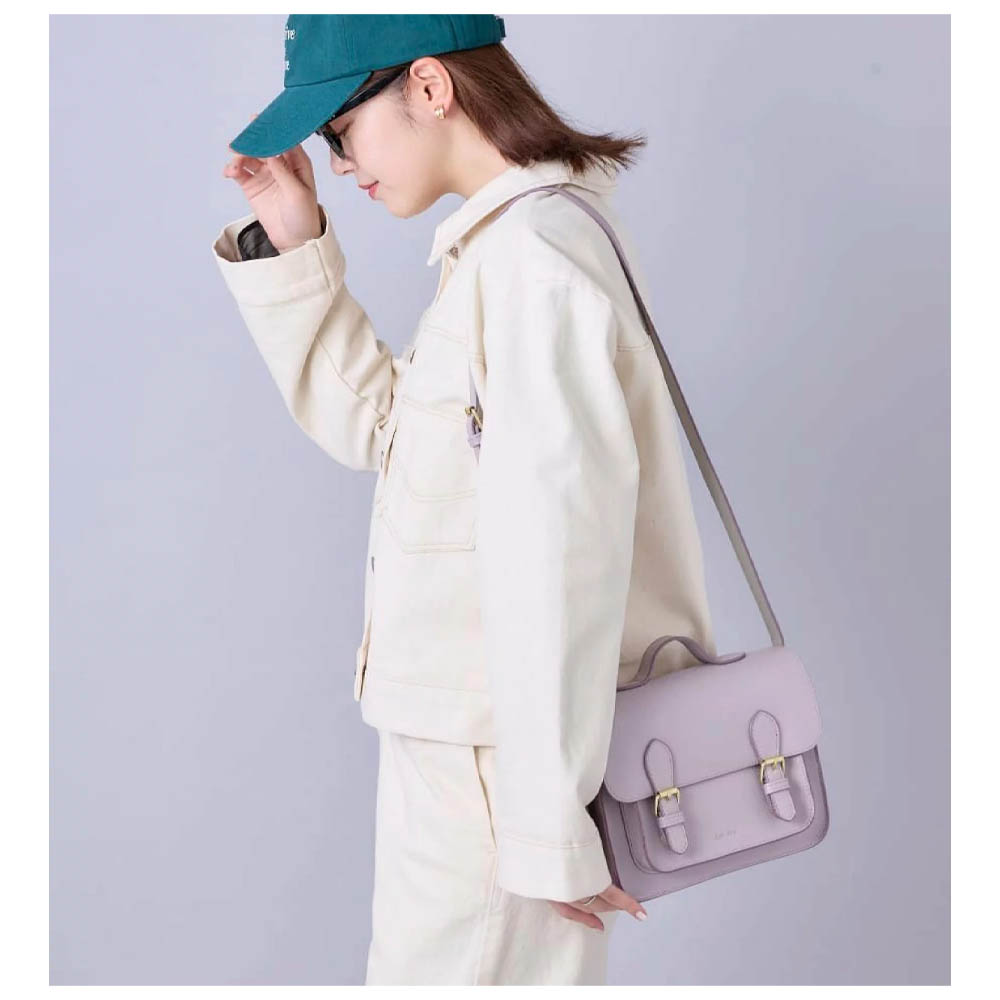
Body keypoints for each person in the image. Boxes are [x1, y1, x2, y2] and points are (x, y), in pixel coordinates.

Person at [212, 14, 716, 986]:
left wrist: (545, 825)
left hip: (496, 769)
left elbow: (558, 554)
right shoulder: (505, 249)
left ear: (431, 87)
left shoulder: (532, 263)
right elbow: (390, 437)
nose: (339, 164)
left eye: (341, 130)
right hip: (476, 756)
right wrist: (293, 238)